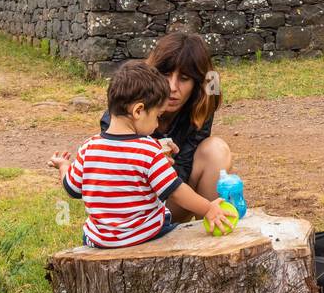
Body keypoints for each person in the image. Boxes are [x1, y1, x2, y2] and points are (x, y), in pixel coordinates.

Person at [50, 60, 231, 248]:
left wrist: (64, 166)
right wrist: (208, 208)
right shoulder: (149, 150)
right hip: (144, 236)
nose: (156, 125)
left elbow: (72, 189)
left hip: (99, 241)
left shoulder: (88, 147)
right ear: (138, 111)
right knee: (164, 221)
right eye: (156, 117)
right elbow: (176, 191)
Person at [98, 31, 234, 223]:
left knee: (216, 149)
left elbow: (185, 167)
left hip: (178, 196)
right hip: (134, 210)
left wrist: (164, 166)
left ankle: (214, 223)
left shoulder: (201, 107)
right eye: (166, 74)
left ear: (197, 83)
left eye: (184, 78)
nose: (172, 87)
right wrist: (148, 161)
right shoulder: (123, 112)